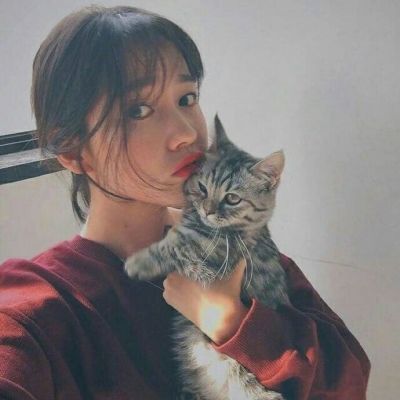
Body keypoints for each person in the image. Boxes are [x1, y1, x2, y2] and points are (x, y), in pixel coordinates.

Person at [0, 5, 370, 400]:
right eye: (138, 110)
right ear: (72, 150)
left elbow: (350, 380)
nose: (186, 133)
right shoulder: (40, 305)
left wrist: (234, 322)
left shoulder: (241, 245)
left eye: (186, 98)